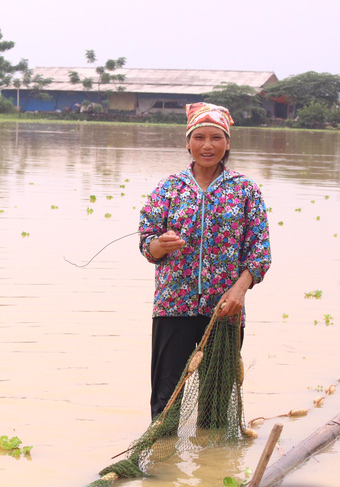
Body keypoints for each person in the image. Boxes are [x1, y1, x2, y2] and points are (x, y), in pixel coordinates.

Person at [138, 103, 271, 420]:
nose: (207, 146)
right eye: (199, 137)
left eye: (215, 138)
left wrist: (239, 291)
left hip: (224, 309)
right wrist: (160, 244)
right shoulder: (169, 188)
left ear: (228, 143)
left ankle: (211, 446)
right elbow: (146, 244)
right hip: (173, 305)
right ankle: (161, 462)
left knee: (216, 404)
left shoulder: (245, 190)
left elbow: (259, 252)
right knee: (166, 400)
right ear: (187, 142)